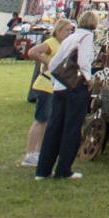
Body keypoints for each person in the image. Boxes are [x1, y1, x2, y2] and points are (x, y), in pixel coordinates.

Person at [36, 10, 99, 181]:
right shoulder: (87, 38)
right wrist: (89, 79)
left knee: (54, 128)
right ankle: (64, 169)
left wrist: (59, 80)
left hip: (59, 88)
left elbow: (55, 62)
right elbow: (84, 62)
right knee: (71, 128)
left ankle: (43, 170)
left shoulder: (70, 38)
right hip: (75, 88)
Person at [22, 19, 74, 167]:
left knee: (47, 121)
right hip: (45, 85)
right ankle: (30, 153)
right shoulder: (51, 42)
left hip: (53, 86)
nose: (69, 33)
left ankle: (39, 152)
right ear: (58, 31)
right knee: (41, 120)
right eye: (66, 30)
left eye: (71, 31)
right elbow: (33, 52)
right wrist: (48, 61)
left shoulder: (62, 45)